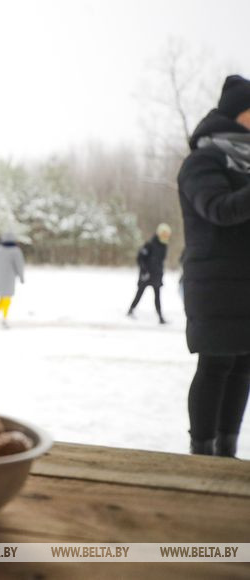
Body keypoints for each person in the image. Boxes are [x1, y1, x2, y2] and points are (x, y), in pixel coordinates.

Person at [177, 74, 250, 457]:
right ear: (238, 114)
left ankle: (227, 452)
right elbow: (219, 209)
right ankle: (202, 455)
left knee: (243, 366)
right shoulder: (203, 160)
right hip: (215, 283)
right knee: (216, 364)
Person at [127, 223, 171, 324]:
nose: (165, 236)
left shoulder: (164, 246)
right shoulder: (149, 244)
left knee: (157, 296)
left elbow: (160, 261)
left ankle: (160, 316)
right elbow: (140, 258)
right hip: (146, 275)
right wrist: (144, 271)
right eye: (164, 234)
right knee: (140, 293)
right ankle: (131, 310)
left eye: (167, 234)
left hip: (157, 275)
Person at [0, 231, 25, 327]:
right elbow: (19, 265)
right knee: (7, 297)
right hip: (9, 278)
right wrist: (21, 277)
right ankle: (4, 318)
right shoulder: (16, 251)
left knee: (1, 297)